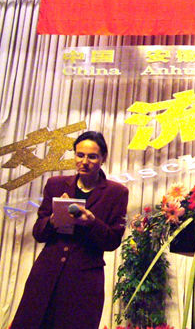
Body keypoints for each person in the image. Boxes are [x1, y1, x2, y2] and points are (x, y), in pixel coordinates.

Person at [11, 131, 129, 329]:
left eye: (92, 156)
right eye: (80, 155)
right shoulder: (56, 185)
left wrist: (92, 222)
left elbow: (112, 241)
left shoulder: (116, 193)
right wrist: (53, 220)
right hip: (46, 273)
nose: (84, 162)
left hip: (84, 279)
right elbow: (38, 233)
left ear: (103, 158)